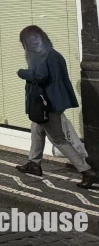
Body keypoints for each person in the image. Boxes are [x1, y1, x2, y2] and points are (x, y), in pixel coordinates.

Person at [15, 25, 97, 188]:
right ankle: (34, 164)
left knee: (58, 139)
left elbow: (41, 76)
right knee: (37, 129)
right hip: (54, 101)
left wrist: (22, 72)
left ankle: (86, 171)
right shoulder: (53, 53)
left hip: (48, 104)